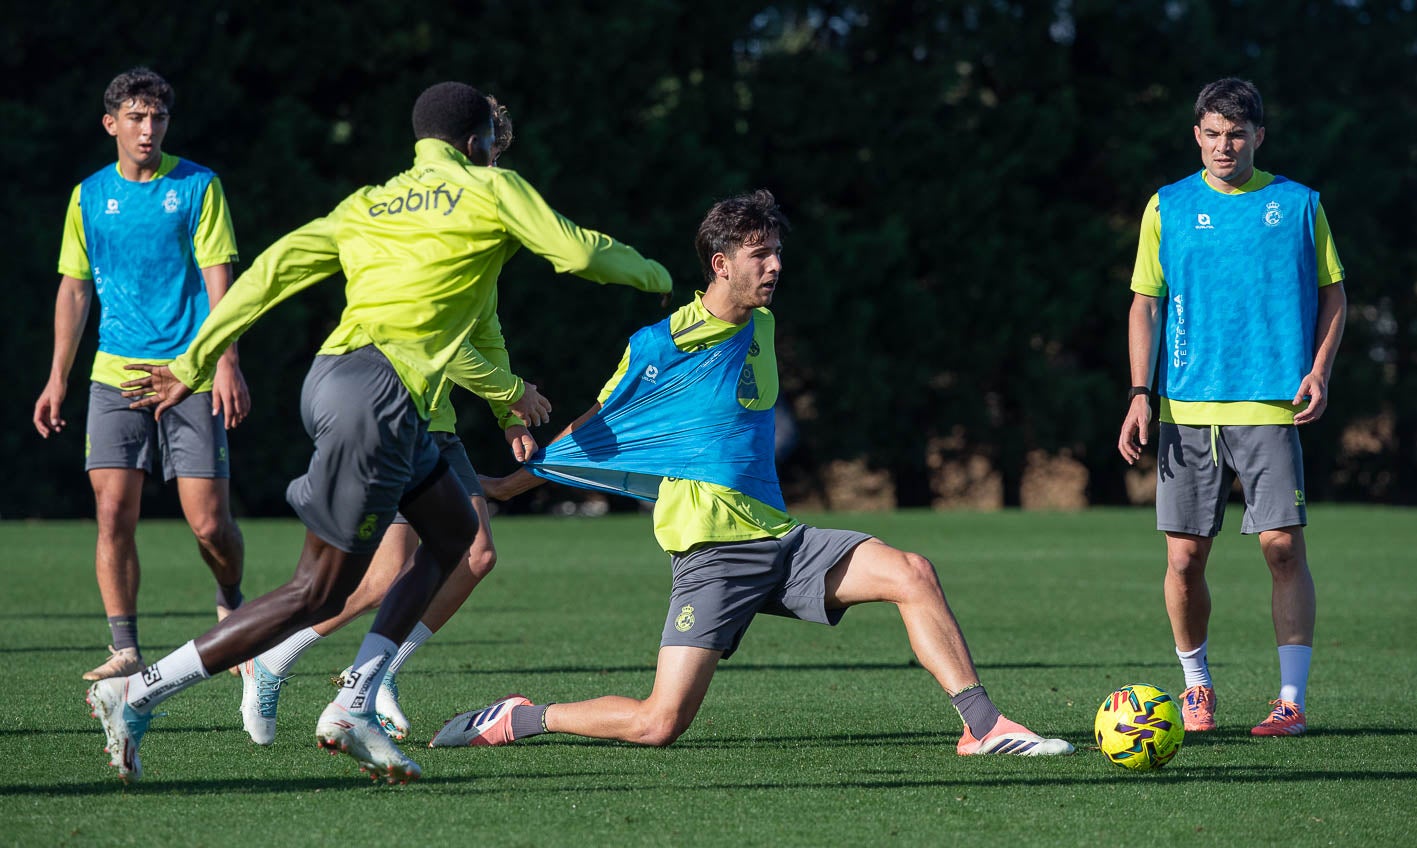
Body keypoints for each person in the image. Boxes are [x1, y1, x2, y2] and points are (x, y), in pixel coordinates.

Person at [84, 81, 671, 784]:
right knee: (317, 592)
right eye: (492, 141)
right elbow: (578, 254)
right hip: (381, 398)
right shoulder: (492, 187)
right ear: (478, 141)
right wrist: (654, 275)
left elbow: (269, 272)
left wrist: (194, 361)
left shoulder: (368, 202)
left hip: (345, 382)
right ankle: (139, 691)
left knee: (456, 536)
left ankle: (355, 701)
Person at [432, 190, 1074, 757]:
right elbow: (601, 430)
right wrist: (510, 485)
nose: (775, 266)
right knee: (659, 724)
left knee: (912, 572)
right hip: (712, 555)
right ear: (721, 264)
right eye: (759, 254)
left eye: (777, 253)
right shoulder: (660, 345)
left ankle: (984, 728)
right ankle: (521, 717)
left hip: (781, 541)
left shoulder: (762, 325)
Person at [236, 96, 651, 745]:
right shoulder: (448, 214)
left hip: (433, 418)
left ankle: (359, 678)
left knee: (467, 556)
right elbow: (441, 341)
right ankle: (292, 665)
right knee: (394, 572)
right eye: (491, 152)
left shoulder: (482, 220)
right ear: (472, 146)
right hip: (397, 411)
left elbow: (482, 328)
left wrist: (507, 414)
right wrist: (513, 392)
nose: (496, 166)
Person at [1117, 78, 1346, 738]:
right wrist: (1139, 393)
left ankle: (1290, 702)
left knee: (1282, 548)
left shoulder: (1298, 204)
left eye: (1237, 135)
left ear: (1258, 137)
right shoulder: (1167, 206)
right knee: (1184, 561)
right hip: (1186, 408)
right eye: (1213, 134)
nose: (1224, 146)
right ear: (1197, 135)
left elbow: (1333, 294)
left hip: (1271, 403)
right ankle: (1196, 687)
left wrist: (1319, 371)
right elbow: (1145, 303)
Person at [32, 67, 249, 682]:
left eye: (157, 117)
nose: (147, 128)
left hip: (189, 374)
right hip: (115, 375)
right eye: (135, 117)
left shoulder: (199, 185)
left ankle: (230, 599)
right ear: (111, 124)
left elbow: (220, 281)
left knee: (210, 525)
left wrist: (226, 362)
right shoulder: (88, 196)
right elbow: (75, 290)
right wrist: (57, 377)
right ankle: (126, 648)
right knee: (112, 513)